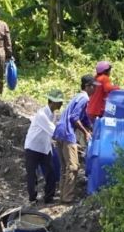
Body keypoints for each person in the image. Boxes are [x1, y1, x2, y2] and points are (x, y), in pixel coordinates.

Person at [53, 75, 96, 203]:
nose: (95, 89)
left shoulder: (78, 97)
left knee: (64, 167)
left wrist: (91, 127)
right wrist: (85, 132)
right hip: (67, 133)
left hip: (59, 131)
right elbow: (74, 117)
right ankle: (68, 197)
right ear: (87, 86)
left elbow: (83, 118)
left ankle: (62, 195)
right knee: (73, 166)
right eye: (93, 86)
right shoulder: (84, 98)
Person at [24, 90, 64, 204]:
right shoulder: (41, 114)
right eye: (59, 102)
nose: (61, 104)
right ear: (52, 102)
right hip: (33, 147)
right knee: (32, 175)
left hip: (45, 148)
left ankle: (49, 198)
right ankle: (32, 198)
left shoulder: (52, 114)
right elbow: (53, 130)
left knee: (51, 173)